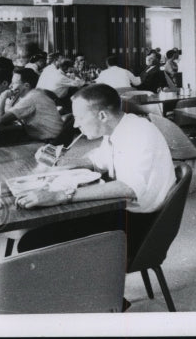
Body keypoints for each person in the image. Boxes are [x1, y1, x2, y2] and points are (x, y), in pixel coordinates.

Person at [14, 83, 175, 259]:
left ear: (102, 115)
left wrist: (61, 195)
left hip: (139, 227)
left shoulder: (138, 133)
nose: (75, 124)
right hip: (125, 214)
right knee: (38, 232)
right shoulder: (119, 129)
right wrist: (59, 162)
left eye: (80, 118)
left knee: (33, 243)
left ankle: (78, 284)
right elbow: (96, 162)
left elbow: (128, 187)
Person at [0, 67, 64, 142]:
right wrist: (13, 98)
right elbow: (7, 111)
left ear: (26, 85)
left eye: (14, 83)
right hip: (52, 137)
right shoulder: (35, 93)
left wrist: (3, 96)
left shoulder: (30, 99)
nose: (10, 86)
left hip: (48, 141)